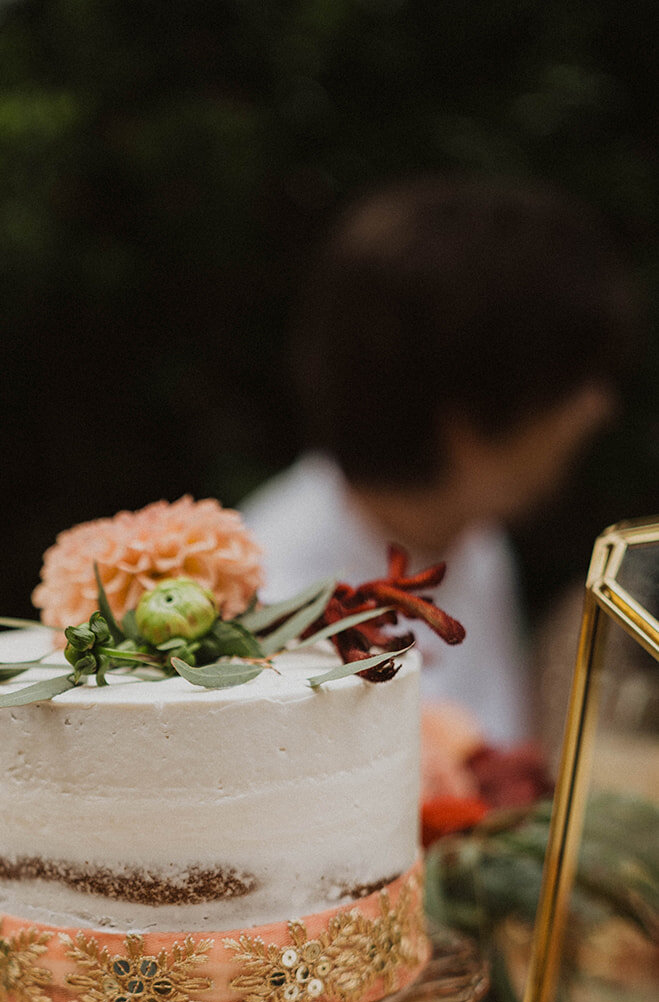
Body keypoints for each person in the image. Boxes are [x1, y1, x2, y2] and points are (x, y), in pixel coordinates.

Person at [240, 176, 638, 744]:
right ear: (468, 422)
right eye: (574, 382)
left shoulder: (470, 535)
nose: (598, 408)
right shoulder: (272, 622)